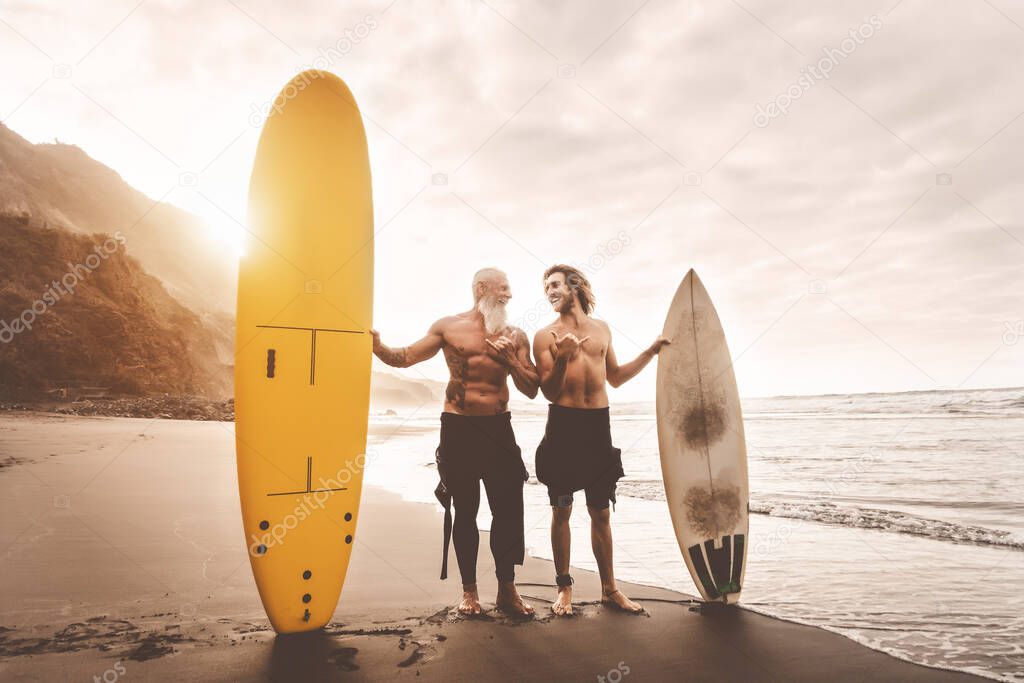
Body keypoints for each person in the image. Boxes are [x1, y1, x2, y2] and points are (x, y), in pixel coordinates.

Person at [371, 267, 539, 617]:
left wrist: (510, 361)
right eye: (503, 288)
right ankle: (469, 593)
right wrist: (377, 347)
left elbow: (532, 388)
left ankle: (507, 590)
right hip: (459, 429)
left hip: (499, 428)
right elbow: (405, 357)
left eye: (510, 289)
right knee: (465, 511)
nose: (509, 295)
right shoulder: (448, 327)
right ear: (482, 288)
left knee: (508, 512)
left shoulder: (516, 335)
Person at [532, 264, 669, 616]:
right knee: (562, 508)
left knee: (601, 512)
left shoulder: (603, 329)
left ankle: (610, 590)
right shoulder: (545, 335)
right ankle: (564, 587)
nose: (549, 291)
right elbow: (547, 390)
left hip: (598, 428)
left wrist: (651, 352)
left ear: (574, 286)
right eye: (546, 286)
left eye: (556, 284)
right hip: (564, 427)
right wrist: (562, 358)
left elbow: (617, 377)